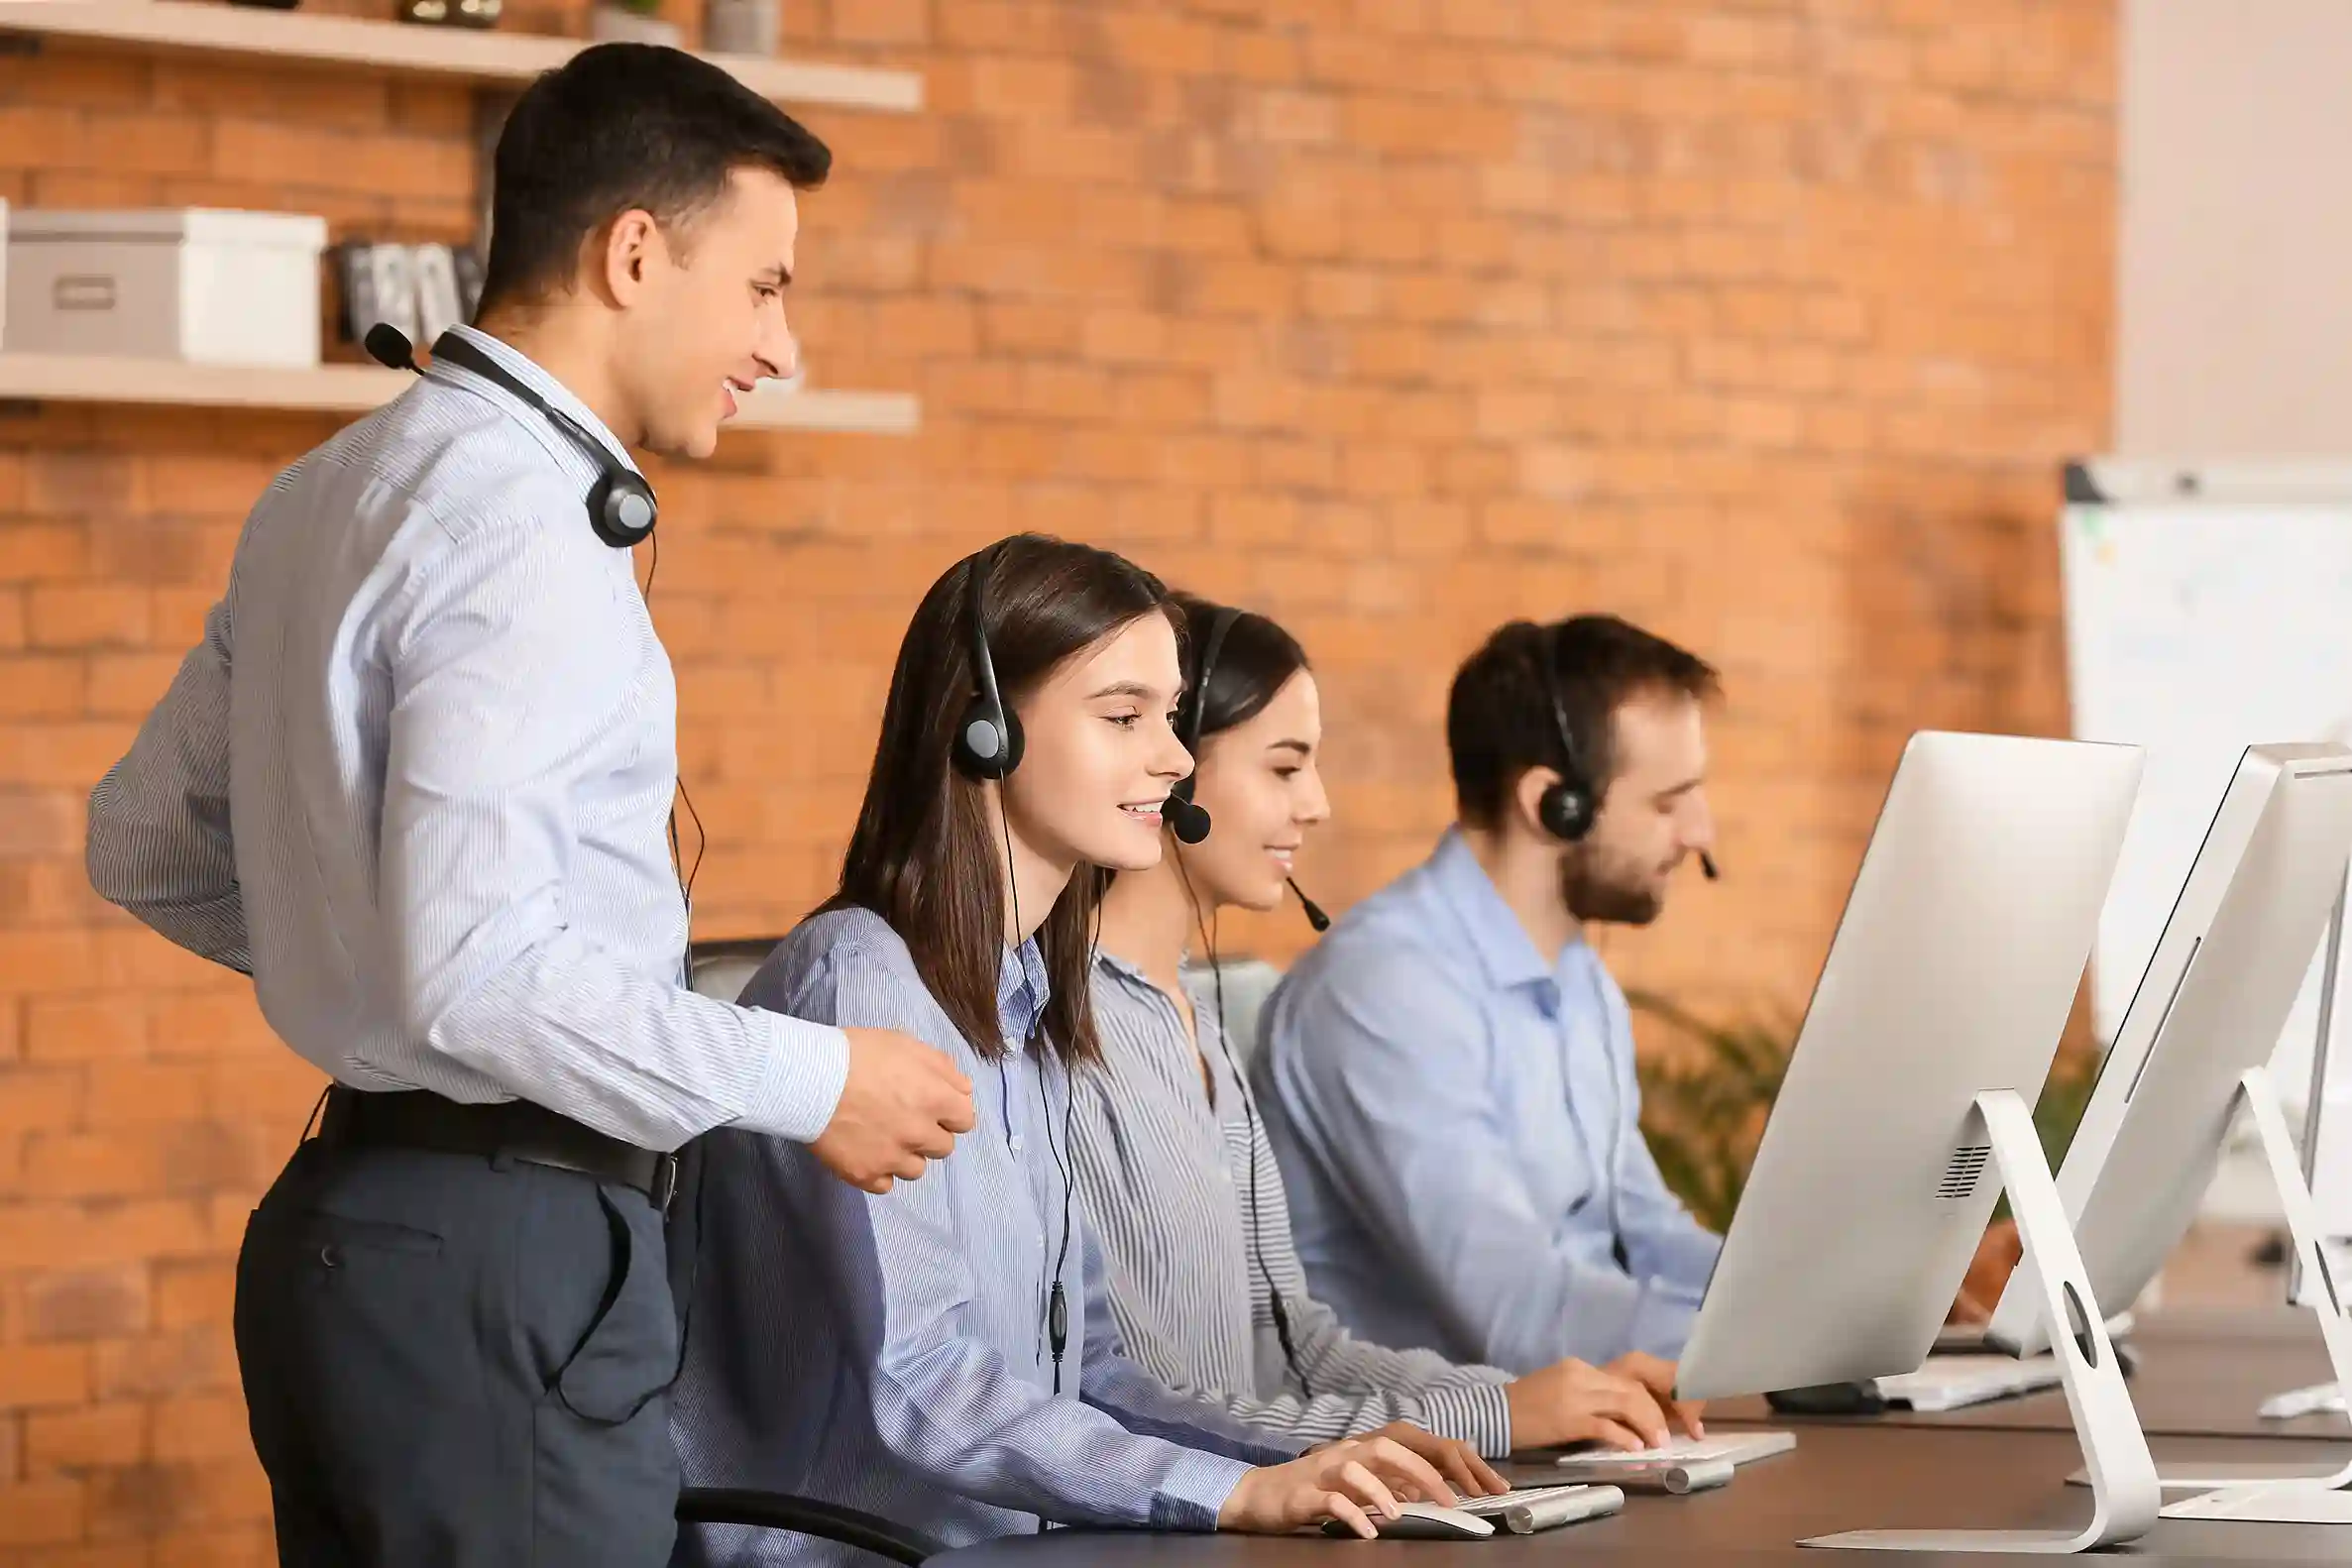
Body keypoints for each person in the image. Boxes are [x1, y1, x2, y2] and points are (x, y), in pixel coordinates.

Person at [83, 46, 974, 1567]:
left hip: (346, 1237)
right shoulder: (521, 527)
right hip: (511, 1260)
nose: (783, 345)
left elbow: (144, 844)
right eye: (763, 287)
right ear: (634, 254)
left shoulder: (325, 488)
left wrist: (373, 964)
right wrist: (813, 1078)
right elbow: (482, 972)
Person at [671, 537, 1501, 1565]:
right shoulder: (864, 984)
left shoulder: (1033, 1007)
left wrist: (1308, 1462)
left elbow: (1095, 1367)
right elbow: (921, 1382)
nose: (1176, 757)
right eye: (1123, 717)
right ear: (984, 729)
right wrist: (1233, 1494)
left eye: (1171, 715)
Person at [1071, 594, 1703, 1458]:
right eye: (1285, 769)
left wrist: (1513, 1402)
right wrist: (1497, 1415)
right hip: (1200, 1500)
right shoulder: (1072, 1031)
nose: (1318, 806)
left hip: (1285, 1480)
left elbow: (1293, 1346)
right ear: (1173, 772)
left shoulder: (1196, 1021)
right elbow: (1128, 1404)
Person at [1252, 616, 1727, 1377]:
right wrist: (1766, 1342)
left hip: (1583, 1421)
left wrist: (1831, 1308)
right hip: (1437, 1437)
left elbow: (1643, 1233)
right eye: (1668, 803)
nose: (1700, 832)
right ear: (1553, 803)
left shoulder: (1579, 981)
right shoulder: (1385, 989)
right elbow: (1518, 1314)